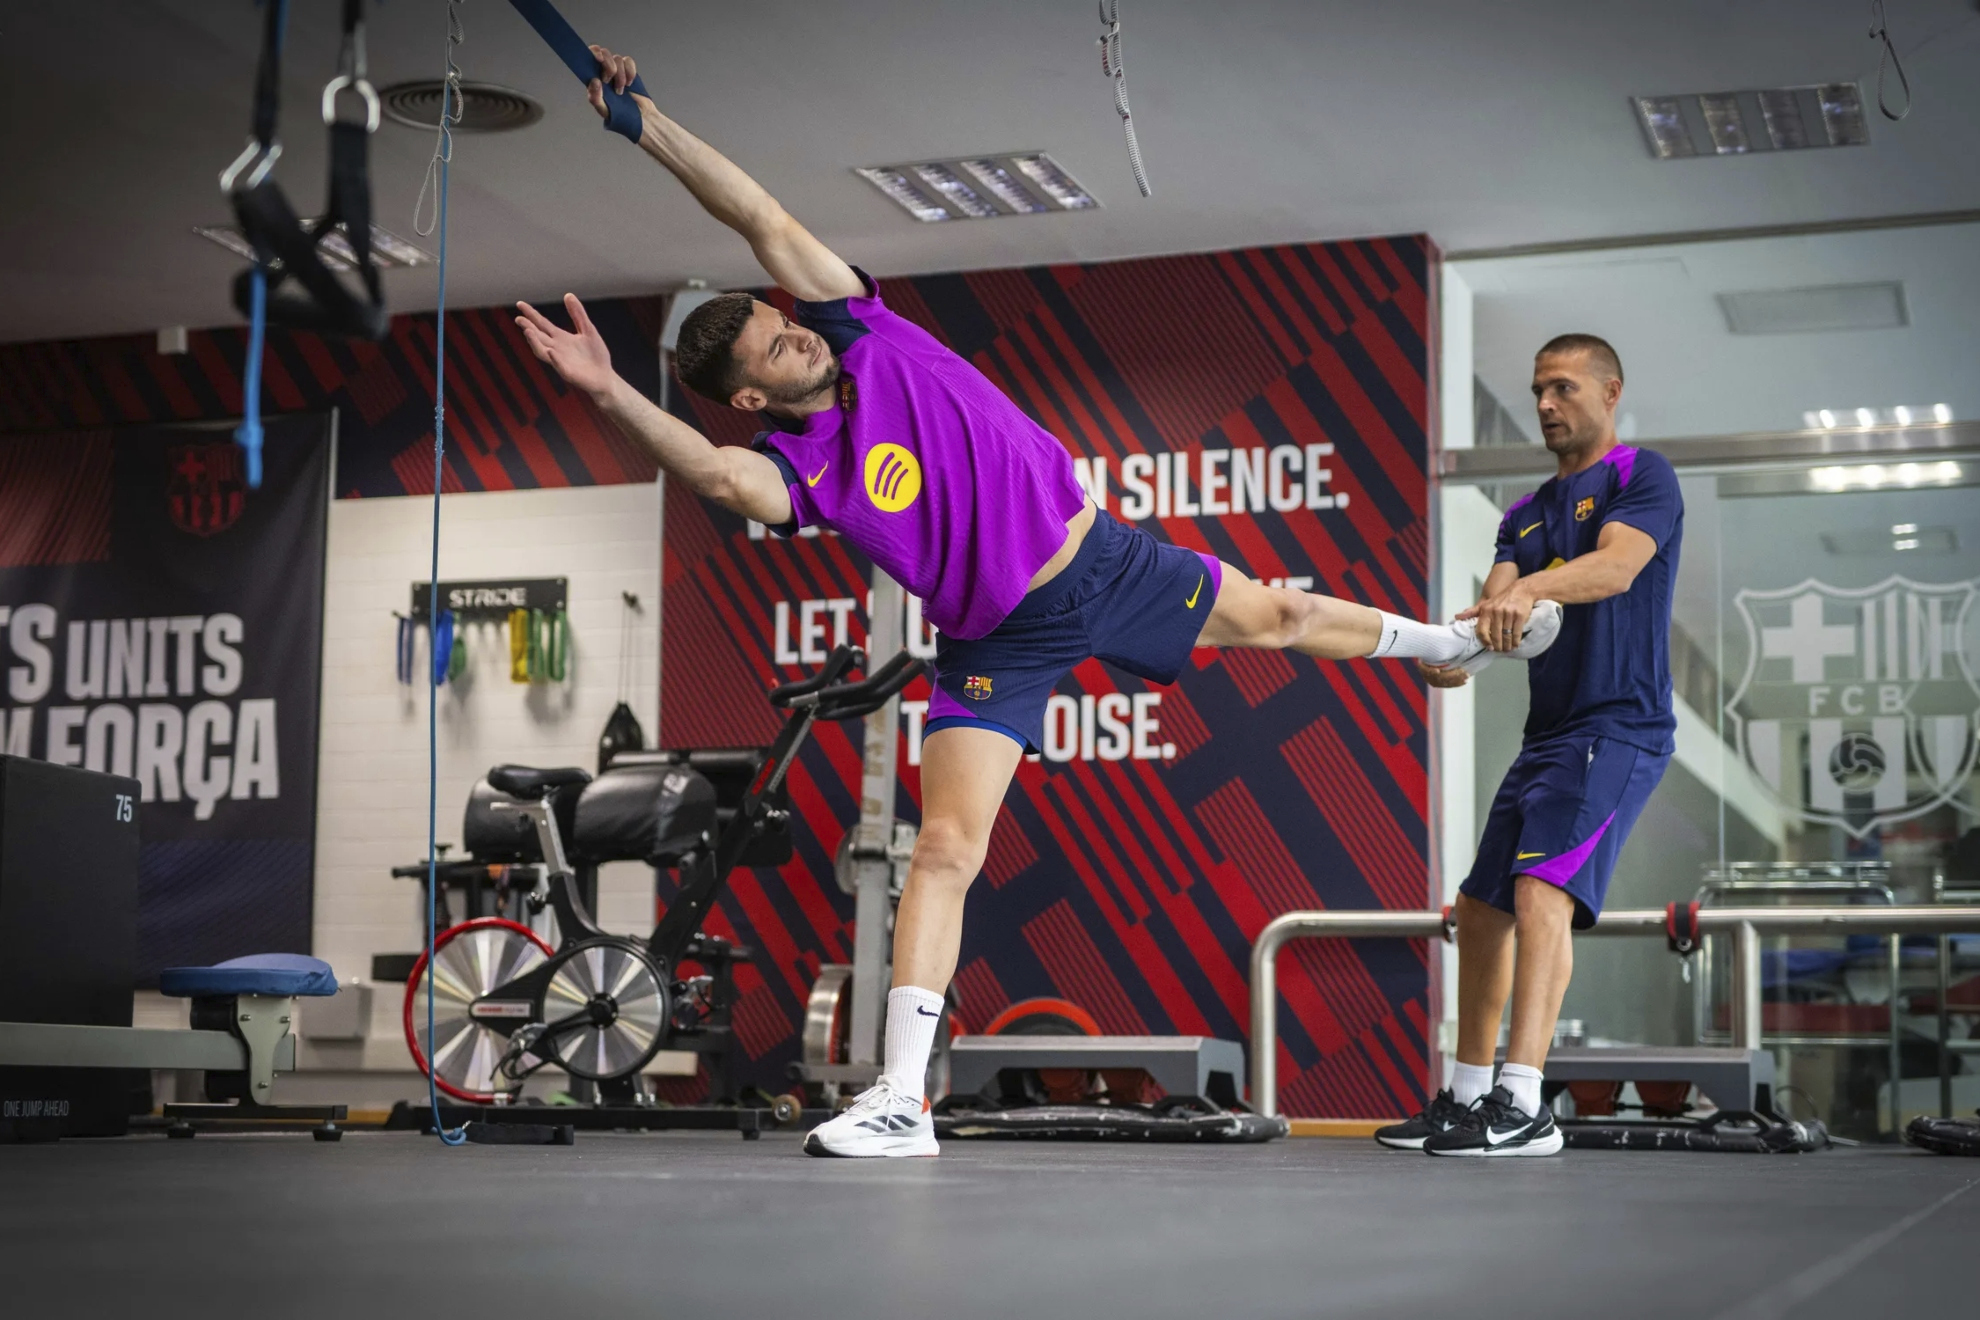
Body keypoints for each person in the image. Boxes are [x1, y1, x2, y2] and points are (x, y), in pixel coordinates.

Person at [514, 48, 1562, 1158]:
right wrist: (608, 389)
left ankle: (1451, 641)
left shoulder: (865, 326)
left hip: (1101, 561)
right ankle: (900, 1102)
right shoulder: (802, 469)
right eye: (778, 346)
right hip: (994, 639)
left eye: (788, 320)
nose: (799, 331)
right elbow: (723, 479)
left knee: (1283, 617)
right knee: (944, 854)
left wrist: (647, 125)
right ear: (751, 396)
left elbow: (761, 214)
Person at [1375, 334, 1682, 1157]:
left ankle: (1527, 1104)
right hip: (1547, 737)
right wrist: (1456, 653)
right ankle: (1470, 1097)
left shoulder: (1640, 477)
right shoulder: (1522, 514)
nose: (1545, 405)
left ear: (1610, 392)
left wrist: (1531, 591)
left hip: (1619, 726)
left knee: (1543, 892)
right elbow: (1494, 611)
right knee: (1481, 909)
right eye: (1538, 392)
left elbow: (1616, 570)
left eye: (1564, 389)